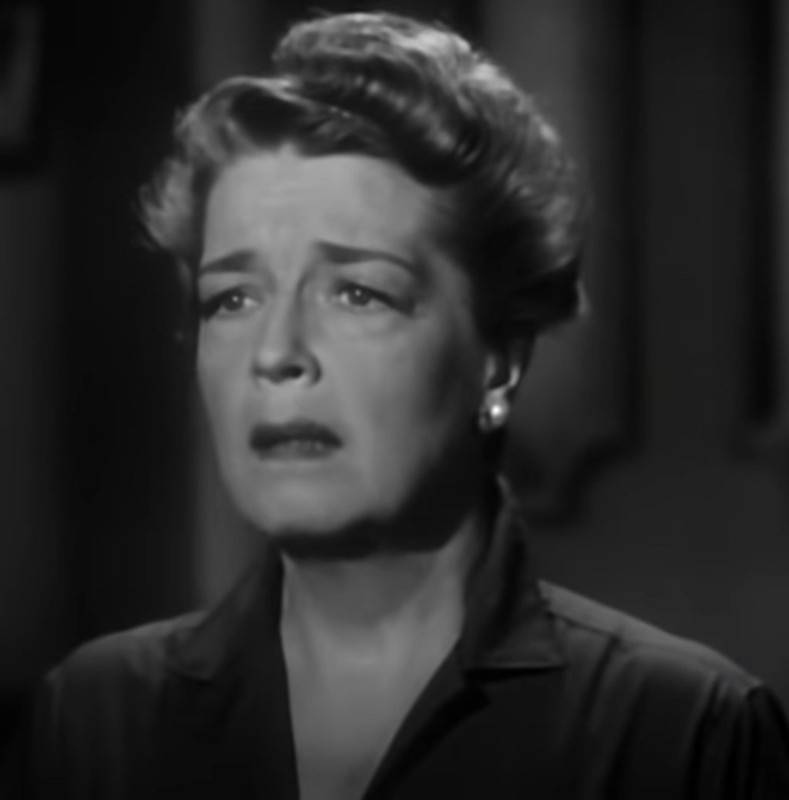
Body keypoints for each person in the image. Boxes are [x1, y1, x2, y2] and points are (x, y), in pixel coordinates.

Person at [4, 10, 789, 800]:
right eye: (232, 298)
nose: (276, 353)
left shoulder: (680, 733)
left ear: (499, 358)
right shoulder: (97, 716)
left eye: (358, 293)